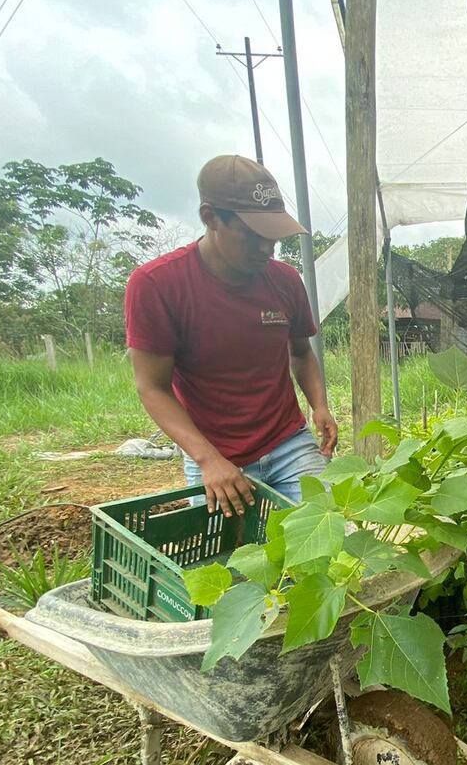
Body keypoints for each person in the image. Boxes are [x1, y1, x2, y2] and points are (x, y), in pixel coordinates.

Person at [125, 155, 338, 516]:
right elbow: (152, 387)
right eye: (252, 235)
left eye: (272, 236)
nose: (266, 248)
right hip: (214, 452)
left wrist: (319, 405)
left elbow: (301, 353)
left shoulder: (285, 281)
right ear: (210, 217)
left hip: (289, 443)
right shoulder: (157, 285)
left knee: (326, 537)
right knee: (230, 565)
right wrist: (208, 460)